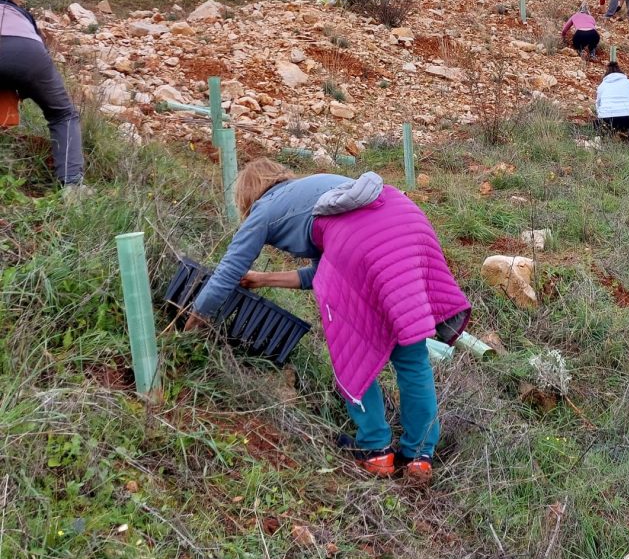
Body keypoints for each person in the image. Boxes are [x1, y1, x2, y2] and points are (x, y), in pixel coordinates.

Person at [185, 160, 472, 483]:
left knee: (353, 350)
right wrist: (264, 279)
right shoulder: (318, 187)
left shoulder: (264, 209)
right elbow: (324, 270)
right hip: (407, 222)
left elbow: (226, 274)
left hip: (363, 243)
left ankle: (375, 450)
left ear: (247, 196)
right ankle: (419, 457)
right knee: (412, 355)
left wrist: (191, 325)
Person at [0, 0, 86, 192]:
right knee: (62, 114)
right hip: (28, 50)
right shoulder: (19, 13)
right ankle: (72, 186)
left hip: (24, 49)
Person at [596, 61, 629, 138]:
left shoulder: (602, 85)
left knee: (597, 124)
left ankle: (610, 135)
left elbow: (598, 104)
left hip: (608, 118)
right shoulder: (628, 83)